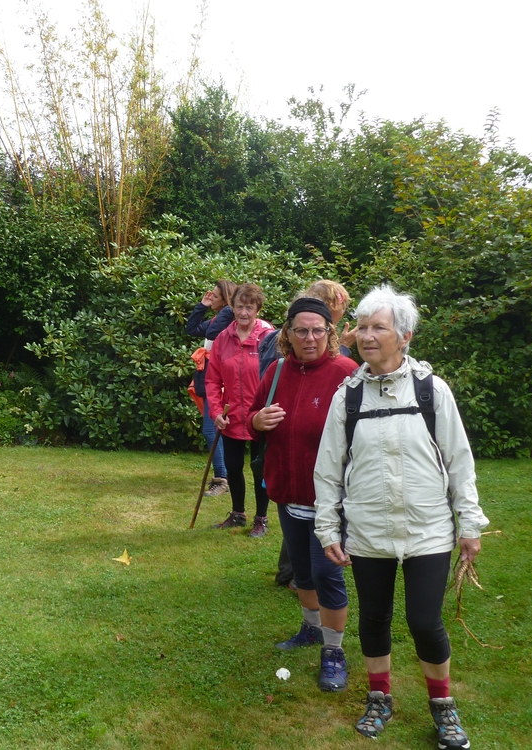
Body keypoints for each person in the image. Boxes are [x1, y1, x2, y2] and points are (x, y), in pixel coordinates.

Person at [314, 284, 489, 749]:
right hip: (368, 530)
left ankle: (443, 706)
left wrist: (468, 524)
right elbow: (327, 470)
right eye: (363, 326)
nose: (367, 336)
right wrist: (328, 527)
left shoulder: (433, 390)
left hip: (428, 530)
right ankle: (380, 697)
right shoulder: (348, 396)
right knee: (373, 617)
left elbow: (459, 462)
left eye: (379, 327)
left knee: (424, 621)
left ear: (404, 336)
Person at [250, 297, 358, 691]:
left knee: (328, 573)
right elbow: (252, 418)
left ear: (330, 334)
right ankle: (311, 629)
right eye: (301, 330)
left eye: (318, 330)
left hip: (331, 500)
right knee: (302, 570)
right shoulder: (277, 371)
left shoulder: (347, 373)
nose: (309, 338)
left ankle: (334, 651)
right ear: (288, 334)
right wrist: (256, 421)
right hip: (287, 494)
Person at [205, 283, 275, 536]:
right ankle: (237, 514)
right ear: (232, 307)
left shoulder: (270, 337)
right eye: (239, 307)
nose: (243, 312)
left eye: (249, 307)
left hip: (261, 416)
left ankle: (261, 518)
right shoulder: (223, 338)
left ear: (258, 309)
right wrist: (215, 412)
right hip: (232, 415)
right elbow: (212, 380)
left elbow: (280, 376)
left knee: (260, 468)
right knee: (233, 466)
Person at [185, 280, 237, 497]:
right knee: (215, 431)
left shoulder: (228, 317)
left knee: (211, 430)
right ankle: (224, 477)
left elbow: (213, 333)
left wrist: (226, 309)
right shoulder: (219, 317)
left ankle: (221, 480)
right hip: (209, 380)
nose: (211, 298)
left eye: (215, 296)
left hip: (219, 382)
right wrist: (203, 305)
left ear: (226, 299)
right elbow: (192, 329)